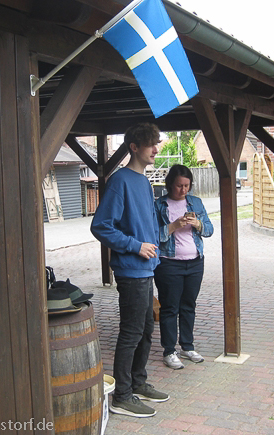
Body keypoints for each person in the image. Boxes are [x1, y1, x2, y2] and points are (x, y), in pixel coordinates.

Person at [90, 122, 169, 418]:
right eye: (150, 144)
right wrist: (136, 246)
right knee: (132, 332)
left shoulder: (144, 182)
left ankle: (138, 382)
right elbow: (101, 226)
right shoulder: (120, 181)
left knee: (147, 329)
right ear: (134, 147)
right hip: (131, 271)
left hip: (147, 270)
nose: (156, 149)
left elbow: (147, 224)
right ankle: (122, 396)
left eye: (156, 143)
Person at [154, 164, 214, 370]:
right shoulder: (159, 205)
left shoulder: (195, 202)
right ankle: (169, 351)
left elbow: (209, 230)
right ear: (170, 184)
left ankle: (187, 347)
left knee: (189, 305)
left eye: (187, 186)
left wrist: (198, 224)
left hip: (195, 262)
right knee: (170, 307)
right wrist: (173, 226)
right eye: (179, 185)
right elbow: (152, 235)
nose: (183, 190)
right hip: (168, 263)